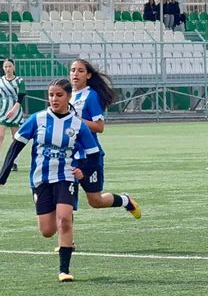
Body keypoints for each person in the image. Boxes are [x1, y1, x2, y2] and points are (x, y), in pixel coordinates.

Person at [0, 78, 101, 282]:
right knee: (47, 230)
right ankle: (61, 220)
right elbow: (16, 146)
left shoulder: (77, 125)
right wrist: (3, 176)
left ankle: (64, 270)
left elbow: (94, 153)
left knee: (64, 220)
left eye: (59, 95)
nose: (54, 99)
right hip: (41, 179)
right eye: (51, 95)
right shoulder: (37, 119)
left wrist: (81, 170)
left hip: (66, 177)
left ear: (69, 97)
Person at [69, 59, 141, 217]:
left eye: (80, 70)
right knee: (66, 202)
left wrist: (76, 120)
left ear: (88, 75)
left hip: (90, 156)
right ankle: (68, 242)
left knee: (95, 201)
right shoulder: (68, 96)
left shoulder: (91, 96)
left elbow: (99, 127)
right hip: (69, 157)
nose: (75, 73)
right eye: (73, 70)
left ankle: (125, 200)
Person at [0, 59, 25, 172]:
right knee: (0, 136)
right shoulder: (0, 81)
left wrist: (13, 110)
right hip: (3, 112)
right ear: (3, 68)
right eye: (6, 66)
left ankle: (14, 162)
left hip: (16, 112)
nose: (8, 69)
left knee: (16, 138)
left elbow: (21, 97)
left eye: (10, 66)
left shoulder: (19, 80)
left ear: (14, 67)